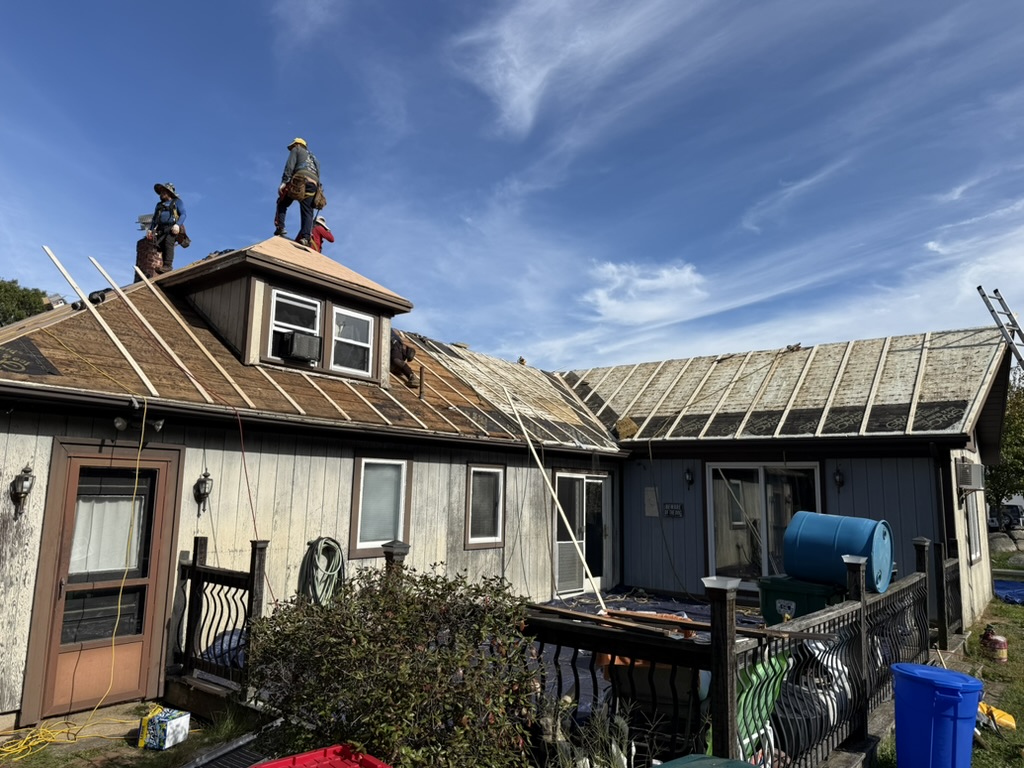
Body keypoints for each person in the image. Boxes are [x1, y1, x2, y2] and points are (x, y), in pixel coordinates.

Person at [274, 137, 321, 247]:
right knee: (308, 212)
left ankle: (280, 227)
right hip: (313, 185)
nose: (292, 148)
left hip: (300, 181)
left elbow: (290, 165)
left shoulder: (297, 150)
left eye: (293, 146)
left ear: (298, 144)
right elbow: (318, 174)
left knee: (282, 202)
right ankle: (306, 238)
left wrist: (284, 182)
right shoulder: (315, 159)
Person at [147, 182, 186, 272]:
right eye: (160, 192)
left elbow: (183, 214)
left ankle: (168, 266)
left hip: (172, 227)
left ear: (169, 192)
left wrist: (177, 225)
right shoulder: (159, 205)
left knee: (169, 243)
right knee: (163, 246)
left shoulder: (177, 202)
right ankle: (165, 265)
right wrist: (150, 230)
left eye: (163, 192)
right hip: (161, 229)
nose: (161, 194)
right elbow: (155, 218)